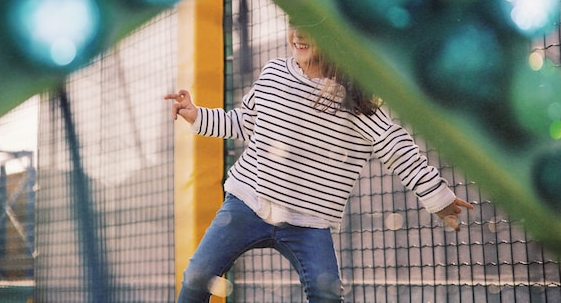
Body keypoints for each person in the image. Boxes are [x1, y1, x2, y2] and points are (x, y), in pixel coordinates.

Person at [165, 24, 474, 303]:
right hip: (246, 203)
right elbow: (245, 122)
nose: (299, 34)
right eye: (294, 24)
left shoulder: (354, 98)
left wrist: (438, 199)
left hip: (308, 221)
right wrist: (197, 115)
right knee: (197, 276)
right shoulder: (273, 73)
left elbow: (396, 147)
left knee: (326, 294)